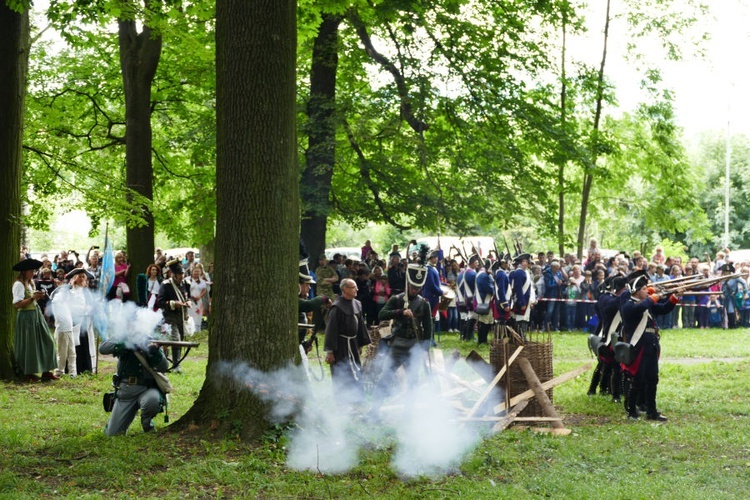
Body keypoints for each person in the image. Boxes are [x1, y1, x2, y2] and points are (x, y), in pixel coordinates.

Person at [372, 259, 433, 419]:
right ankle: (374, 411)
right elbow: (382, 314)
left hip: (414, 347)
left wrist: (426, 349)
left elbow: (428, 329)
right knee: (385, 377)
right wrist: (400, 312)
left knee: (413, 381)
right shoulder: (397, 299)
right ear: (408, 285)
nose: (416, 290)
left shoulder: (424, 304)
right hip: (398, 345)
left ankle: (408, 414)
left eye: (418, 288)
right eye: (413, 287)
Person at [617, 270, 679, 421]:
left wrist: (674, 297)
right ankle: (631, 411)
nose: (647, 290)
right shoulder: (628, 305)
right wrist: (653, 298)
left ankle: (652, 411)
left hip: (651, 345)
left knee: (652, 379)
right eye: (644, 289)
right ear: (637, 291)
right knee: (637, 379)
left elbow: (663, 309)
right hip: (639, 346)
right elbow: (637, 309)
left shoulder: (647, 304)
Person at [100, 338, 169, 435]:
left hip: (147, 388)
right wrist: (129, 343)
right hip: (126, 391)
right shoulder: (122, 335)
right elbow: (103, 347)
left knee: (152, 401)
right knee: (113, 434)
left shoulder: (150, 338)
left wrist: (155, 352)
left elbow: (164, 367)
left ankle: (147, 423)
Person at [322, 278, 371, 408]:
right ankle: (342, 401)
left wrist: (360, 343)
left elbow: (361, 325)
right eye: (353, 287)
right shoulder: (337, 307)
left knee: (356, 369)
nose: (357, 289)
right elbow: (331, 329)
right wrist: (330, 351)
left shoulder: (357, 304)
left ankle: (357, 398)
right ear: (345, 289)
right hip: (341, 345)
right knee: (341, 372)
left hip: (353, 343)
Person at [12, 258, 59, 382]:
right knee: (30, 345)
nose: (33, 273)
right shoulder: (18, 284)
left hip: (36, 315)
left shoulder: (31, 282)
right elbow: (17, 304)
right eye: (31, 271)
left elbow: (32, 299)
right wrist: (33, 298)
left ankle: (46, 371)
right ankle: (28, 373)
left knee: (47, 340)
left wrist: (37, 296)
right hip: (26, 317)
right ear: (24, 271)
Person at [50, 268, 94, 377]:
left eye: (83, 277)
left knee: (82, 345)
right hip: (71, 321)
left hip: (83, 321)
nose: (81, 279)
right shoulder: (69, 291)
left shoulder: (87, 292)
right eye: (79, 277)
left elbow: (90, 305)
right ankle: (66, 369)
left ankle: (83, 369)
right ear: (74, 278)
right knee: (69, 346)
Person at [157, 260, 190, 373]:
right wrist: (173, 303)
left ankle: (175, 362)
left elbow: (186, 296)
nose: (182, 276)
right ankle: (176, 366)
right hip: (169, 317)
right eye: (180, 274)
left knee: (179, 339)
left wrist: (188, 302)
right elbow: (160, 302)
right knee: (176, 340)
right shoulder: (166, 285)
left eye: (182, 274)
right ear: (173, 274)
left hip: (181, 316)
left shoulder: (185, 284)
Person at [509, 253, 535, 340]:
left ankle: (522, 337)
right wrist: (522, 302)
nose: (528, 263)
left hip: (525, 300)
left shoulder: (524, 272)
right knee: (520, 319)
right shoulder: (519, 273)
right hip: (521, 300)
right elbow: (518, 289)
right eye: (527, 261)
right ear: (523, 262)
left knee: (524, 319)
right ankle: (520, 338)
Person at [186, 265, 208, 334]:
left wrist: (200, 296)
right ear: (192, 272)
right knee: (190, 315)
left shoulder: (202, 281)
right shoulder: (187, 280)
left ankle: (197, 331)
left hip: (199, 301)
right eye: (195, 271)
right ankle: (189, 331)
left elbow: (204, 290)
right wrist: (190, 296)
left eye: (198, 271)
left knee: (198, 316)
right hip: (190, 301)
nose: (196, 273)